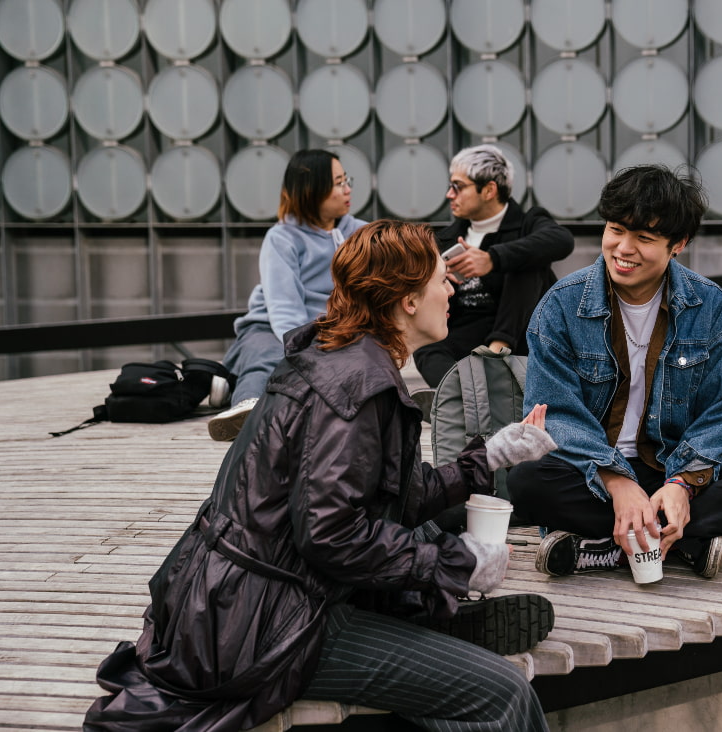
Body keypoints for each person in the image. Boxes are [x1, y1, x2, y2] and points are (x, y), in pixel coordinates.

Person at [85, 221, 558, 731]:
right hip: (265, 623)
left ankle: (427, 625)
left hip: (228, 602)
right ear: (407, 301)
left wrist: (486, 456)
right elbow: (331, 534)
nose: (453, 290)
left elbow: (388, 497)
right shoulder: (356, 389)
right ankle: (429, 624)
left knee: (421, 539)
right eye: (443, 280)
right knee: (502, 693)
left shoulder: (342, 358)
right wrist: (453, 563)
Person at [507, 165, 722, 580]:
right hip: (595, 475)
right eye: (615, 230)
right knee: (527, 480)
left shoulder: (709, 304)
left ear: (677, 244)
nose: (623, 248)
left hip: (674, 466)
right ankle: (685, 539)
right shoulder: (560, 306)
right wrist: (617, 481)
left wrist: (683, 483)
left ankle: (610, 543)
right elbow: (557, 414)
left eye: (643, 238)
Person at [209, 149, 366, 441]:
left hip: (328, 331)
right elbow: (284, 307)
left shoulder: (359, 233)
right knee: (268, 357)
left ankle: (228, 383)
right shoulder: (282, 238)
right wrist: (302, 350)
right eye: (338, 183)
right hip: (272, 326)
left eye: (347, 180)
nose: (347, 190)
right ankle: (247, 408)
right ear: (312, 191)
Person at [412, 144, 574, 387]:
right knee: (426, 344)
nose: (449, 195)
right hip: (465, 337)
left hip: (519, 338)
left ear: (488, 190)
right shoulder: (446, 238)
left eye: (458, 187)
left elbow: (562, 241)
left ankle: (494, 358)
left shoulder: (527, 224)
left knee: (528, 260)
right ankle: (456, 392)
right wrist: (441, 279)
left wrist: (492, 259)